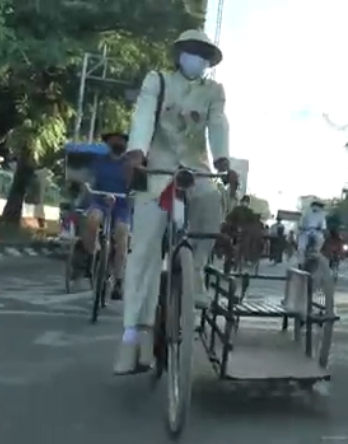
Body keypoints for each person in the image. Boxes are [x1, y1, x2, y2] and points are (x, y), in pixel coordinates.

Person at [114, 29, 237, 375]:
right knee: (145, 252)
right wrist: (136, 151)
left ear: (208, 61)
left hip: (196, 169)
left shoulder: (214, 91)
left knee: (211, 201)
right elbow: (143, 114)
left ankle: (194, 271)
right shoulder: (158, 80)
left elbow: (218, 125)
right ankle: (130, 337)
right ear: (180, 53)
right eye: (192, 50)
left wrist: (224, 162)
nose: (196, 57)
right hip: (157, 167)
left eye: (203, 53)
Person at [73, 132, 132, 300]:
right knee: (92, 219)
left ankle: (118, 280)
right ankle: (96, 253)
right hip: (100, 201)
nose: (118, 142)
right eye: (114, 140)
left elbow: (136, 186)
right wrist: (87, 190)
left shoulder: (129, 164)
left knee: (122, 234)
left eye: (121, 140)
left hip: (121, 205)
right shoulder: (99, 162)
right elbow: (90, 181)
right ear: (108, 143)